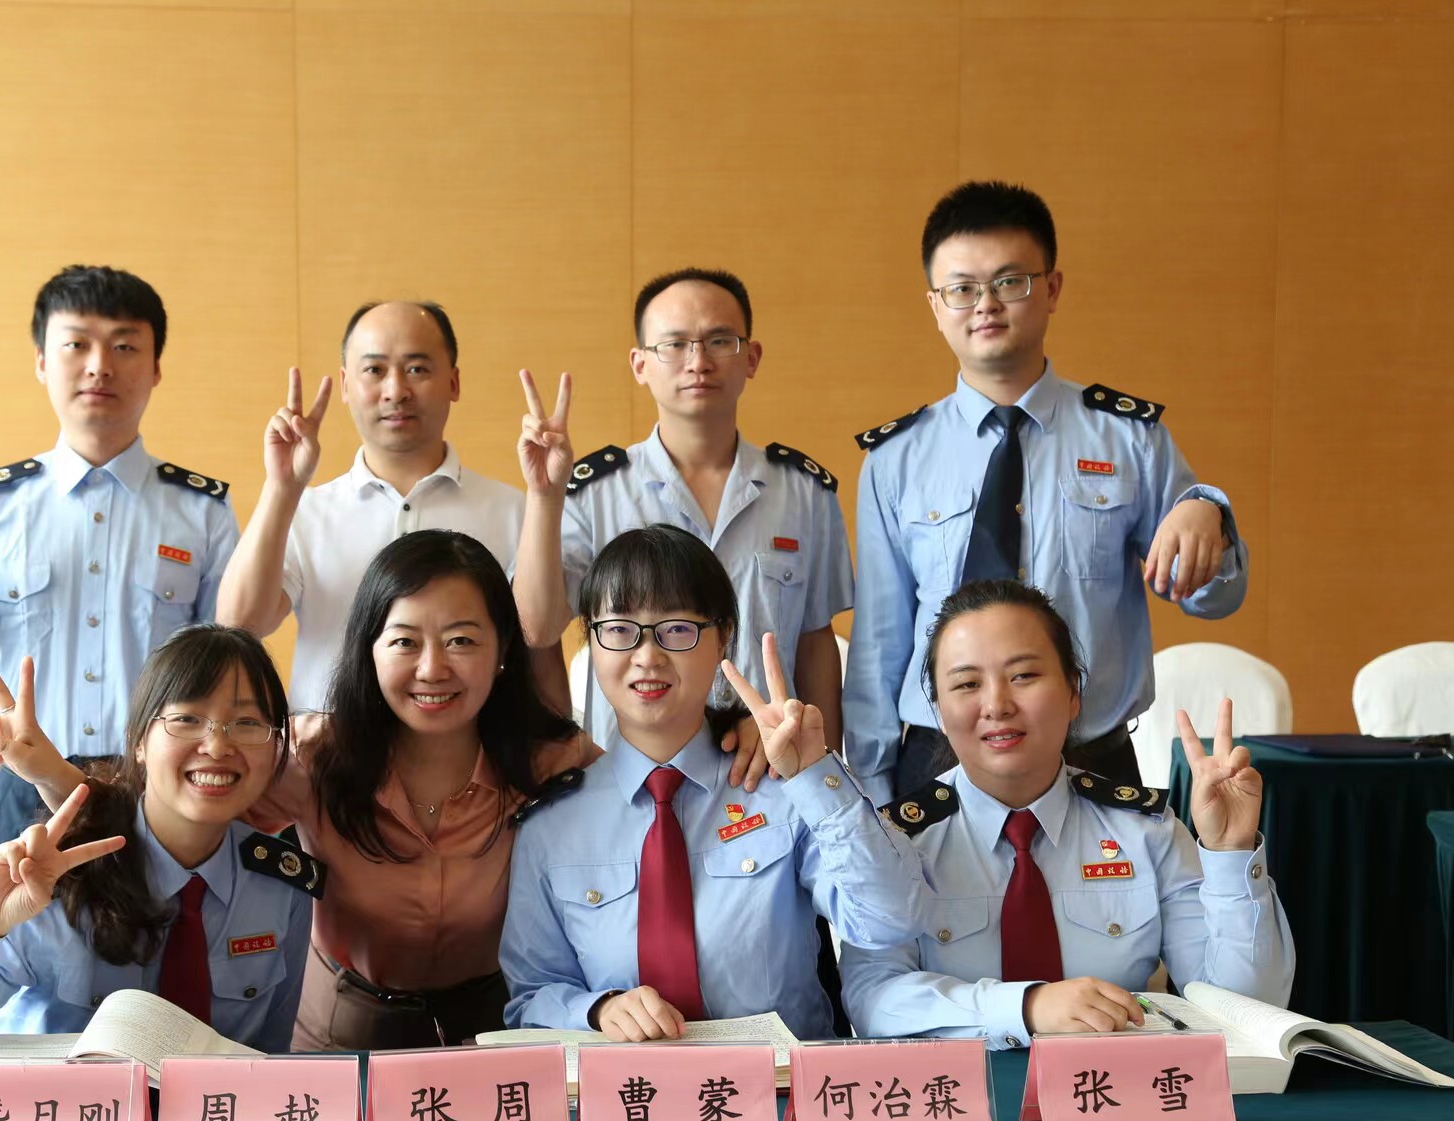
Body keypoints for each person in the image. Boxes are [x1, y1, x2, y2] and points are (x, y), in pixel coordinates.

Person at [0, 530, 597, 1051]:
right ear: (370, 650)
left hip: (497, 1031)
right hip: (339, 1035)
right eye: (405, 641)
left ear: (503, 650)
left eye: (461, 640)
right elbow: (168, 813)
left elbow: (637, 805)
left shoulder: (550, 762)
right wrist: (50, 771)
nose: (432, 668)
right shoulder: (312, 755)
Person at [844, 182, 1249, 801]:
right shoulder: (895, 459)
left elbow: (1213, 600)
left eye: (1010, 281)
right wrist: (873, 790)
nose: (986, 304)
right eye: (962, 288)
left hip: (1092, 754)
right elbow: (879, 643)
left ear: (1052, 288)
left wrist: (1207, 513)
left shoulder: (1130, 439)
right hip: (938, 759)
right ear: (935, 305)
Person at [500, 525, 932, 1043]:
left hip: (781, 1088)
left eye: (677, 629)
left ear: (723, 635)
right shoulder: (551, 825)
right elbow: (530, 998)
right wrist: (597, 1010)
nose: (647, 655)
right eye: (618, 629)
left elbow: (892, 920)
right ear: (591, 640)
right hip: (628, 1090)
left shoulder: (784, 790)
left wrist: (817, 777)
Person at [0, 265, 239, 853]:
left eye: (124, 346)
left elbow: (233, 664)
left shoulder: (202, 511)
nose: (99, 365)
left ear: (156, 368)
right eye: (76, 344)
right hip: (25, 786)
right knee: (12, 918)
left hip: (159, 788)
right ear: (42, 361)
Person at [840, 578, 1294, 1047]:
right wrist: (1025, 1007)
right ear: (938, 710)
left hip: (1113, 1087)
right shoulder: (897, 843)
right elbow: (873, 997)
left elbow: (1244, 1009)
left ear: (1073, 691)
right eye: (967, 684)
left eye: (1023, 676)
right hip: (959, 1089)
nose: (997, 705)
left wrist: (1230, 853)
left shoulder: (1144, 831)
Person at [0, 625, 320, 1073]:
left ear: (276, 749)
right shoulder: (54, 876)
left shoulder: (282, 888)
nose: (217, 746)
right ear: (138, 742)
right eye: (187, 720)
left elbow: (269, 1062)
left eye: (247, 723)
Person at [513, 268, 852, 763]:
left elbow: (815, 643)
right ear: (640, 364)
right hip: (631, 774)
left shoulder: (804, 492)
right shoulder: (593, 492)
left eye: (720, 341)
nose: (698, 362)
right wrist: (544, 496)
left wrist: (822, 768)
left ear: (752, 357)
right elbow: (538, 630)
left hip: (766, 772)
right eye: (674, 344)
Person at [216, 301, 523, 712]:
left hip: (471, 747)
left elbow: (538, 645)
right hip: (330, 748)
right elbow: (239, 624)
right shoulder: (305, 511)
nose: (396, 391)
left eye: (417, 368)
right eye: (375, 370)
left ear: (453, 382)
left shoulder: (512, 510)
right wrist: (281, 488)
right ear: (346, 385)